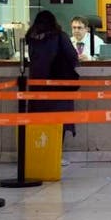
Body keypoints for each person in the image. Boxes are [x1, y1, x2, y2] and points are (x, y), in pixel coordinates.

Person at [26, 10, 79, 164]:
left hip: (37, 86)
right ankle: (55, 154)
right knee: (58, 121)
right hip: (57, 85)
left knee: (39, 122)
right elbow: (72, 56)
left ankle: (41, 154)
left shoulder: (31, 38)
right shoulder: (59, 36)